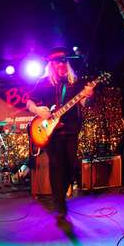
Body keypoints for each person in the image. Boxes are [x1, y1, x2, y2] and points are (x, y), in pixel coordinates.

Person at [26, 48, 94, 219]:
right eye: (56, 62)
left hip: (70, 130)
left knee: (70, 167)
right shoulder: (44, 83)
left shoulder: (75, 82)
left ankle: (61, 196)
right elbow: (29, 103)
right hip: (52, 133)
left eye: (63, 61)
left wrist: (88, 96)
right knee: (56, 166)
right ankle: (59, 202)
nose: (60, 65)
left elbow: (85, 104)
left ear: (67, 63)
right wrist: (38, 110)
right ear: (51, 65)